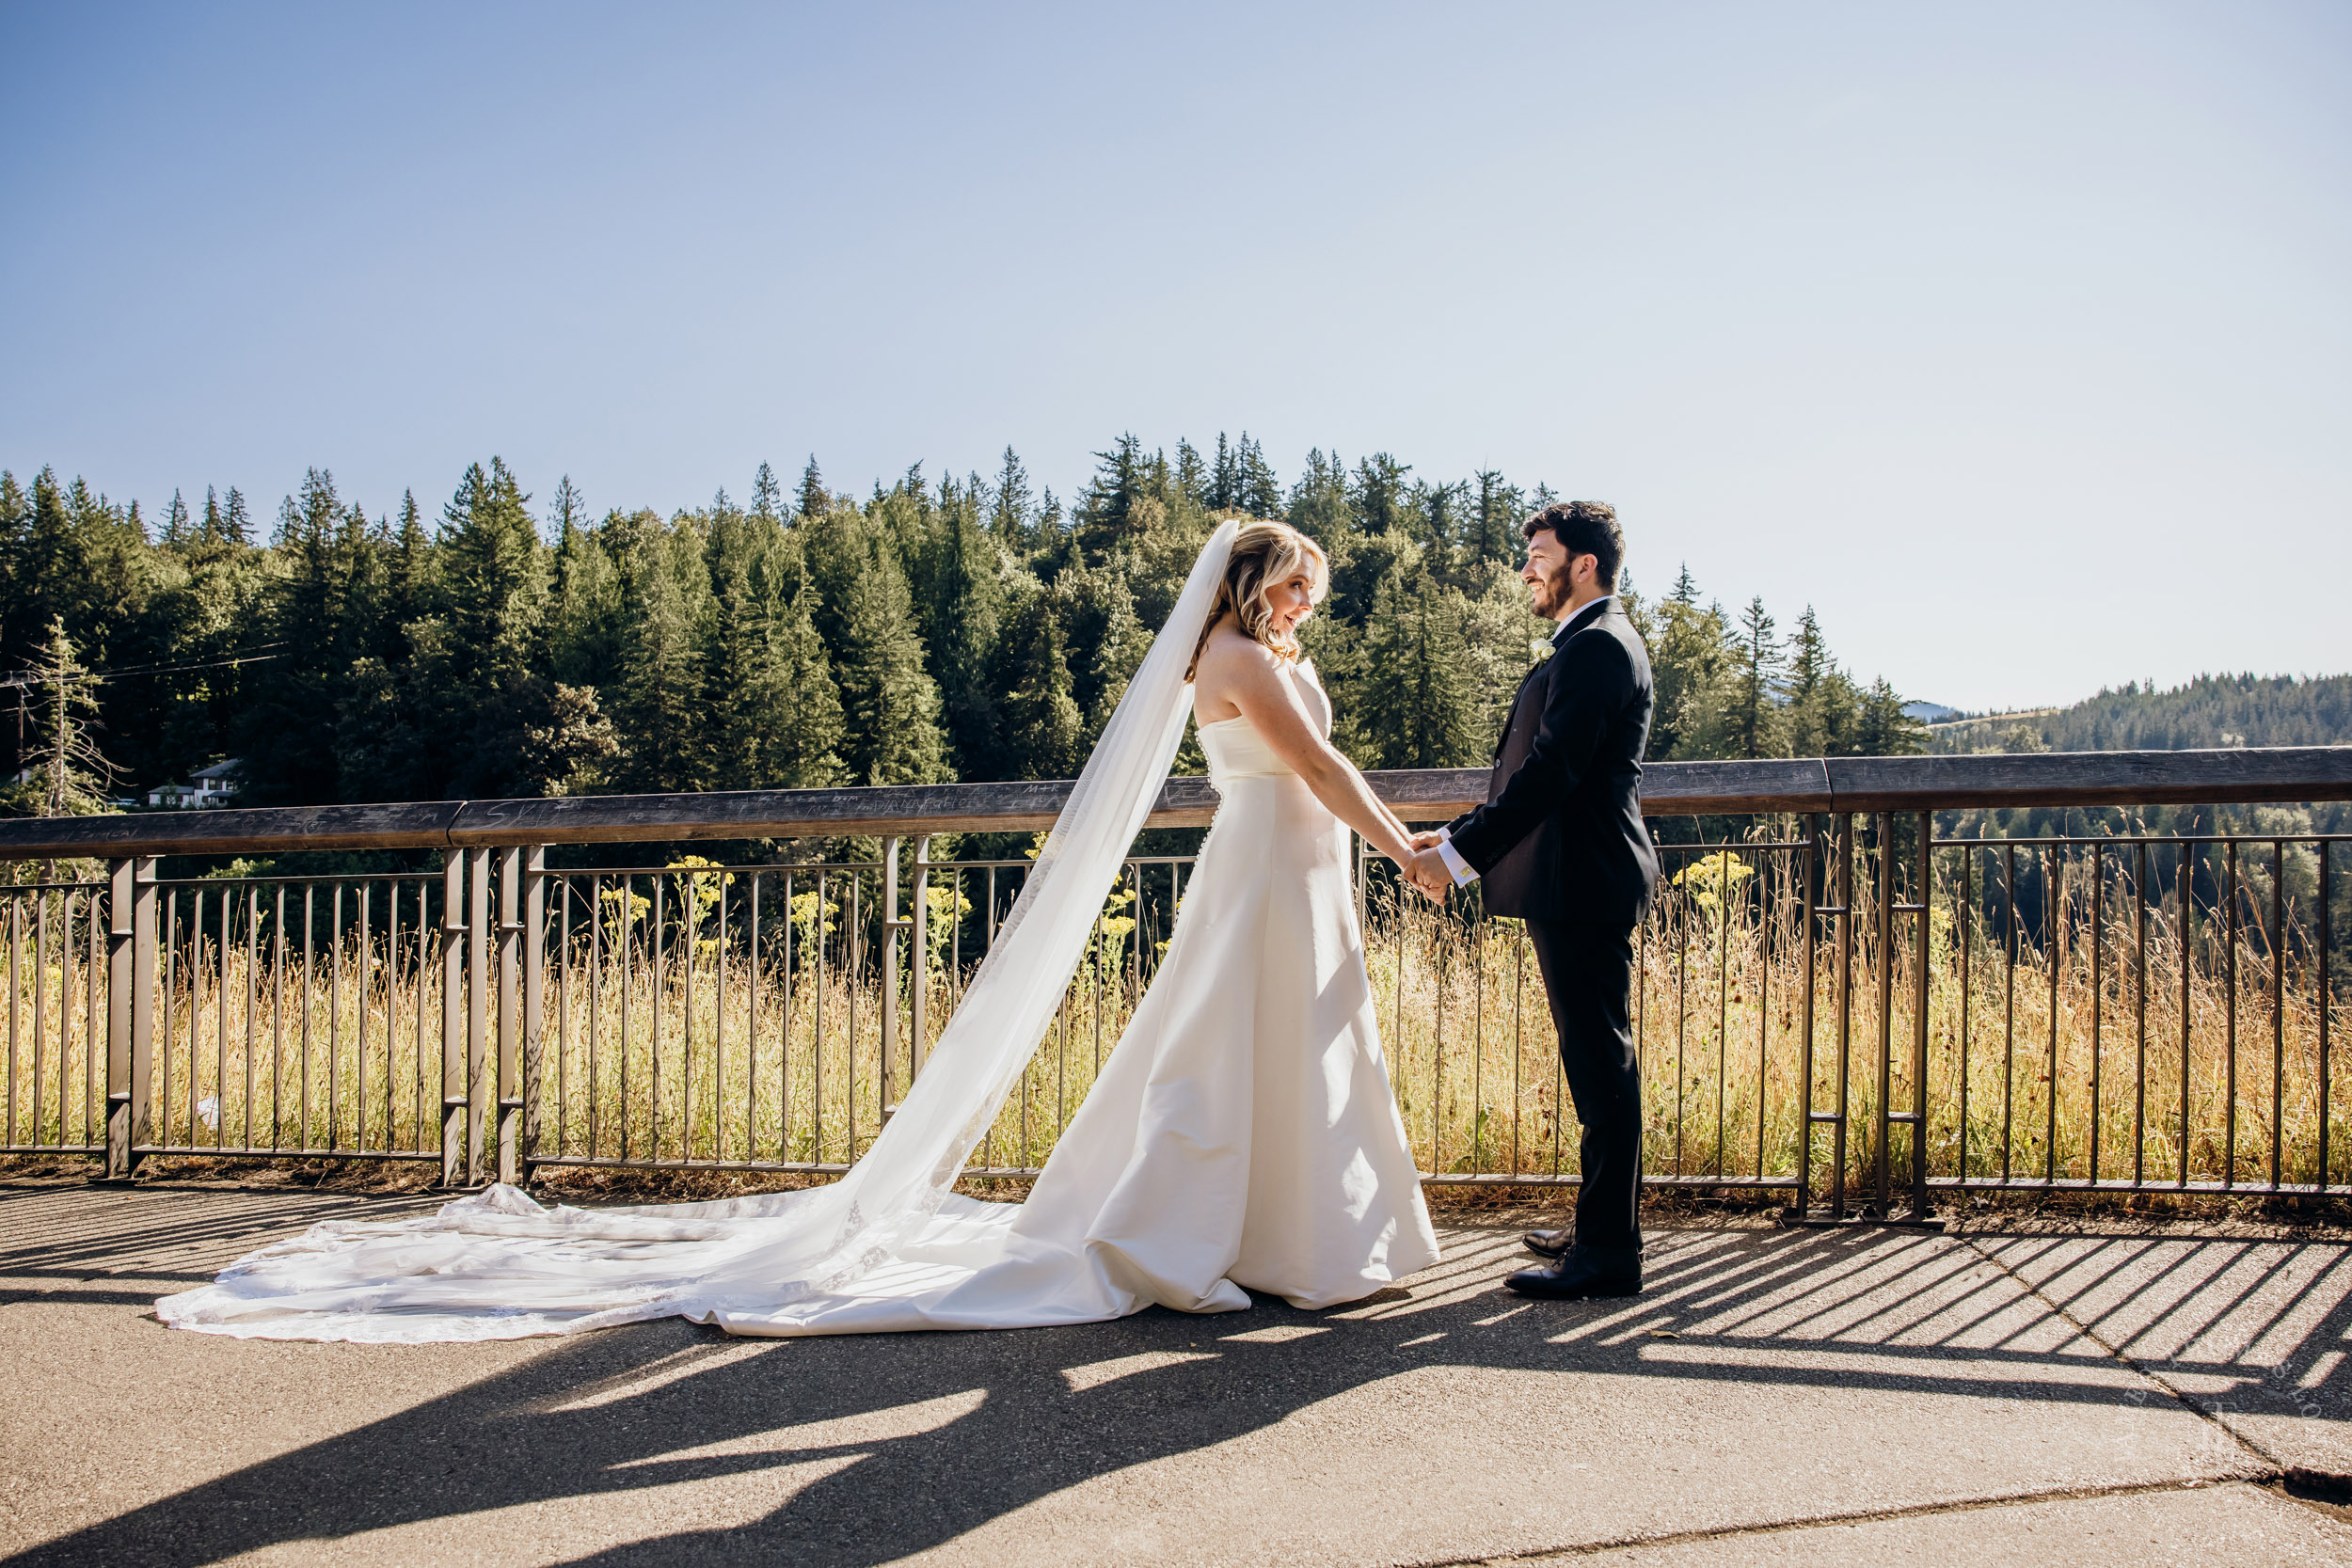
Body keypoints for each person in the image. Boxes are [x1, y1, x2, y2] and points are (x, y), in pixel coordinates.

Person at [158, 518, 1440, 1342]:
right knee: (1230, 1045)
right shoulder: (1242, 660)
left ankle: (1279, 1230)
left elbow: (1323, 767)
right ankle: (1210, 1229)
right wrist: (1407, 853)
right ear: (1254, 581)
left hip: (1287, 863)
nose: (1302, 609)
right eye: (1295, 587)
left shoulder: (1235, 649)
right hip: (1276, 853)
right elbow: (1321, 767)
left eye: (1307, 597)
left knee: (1275, 1039)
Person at [1403, 501, 1659, 1300]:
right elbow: (1533, 772)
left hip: (1583, 880)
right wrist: (1458, 833)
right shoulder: (1593, 643)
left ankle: (1609, 1254)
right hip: (1576, 878)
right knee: (1596, 1061)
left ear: (1584, 564)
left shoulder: (1598, 647)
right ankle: (1598, 1225)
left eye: (1540, 555)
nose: (1527, 571)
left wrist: (1456, 855)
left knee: (1601, 1062)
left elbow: (1551, 774)